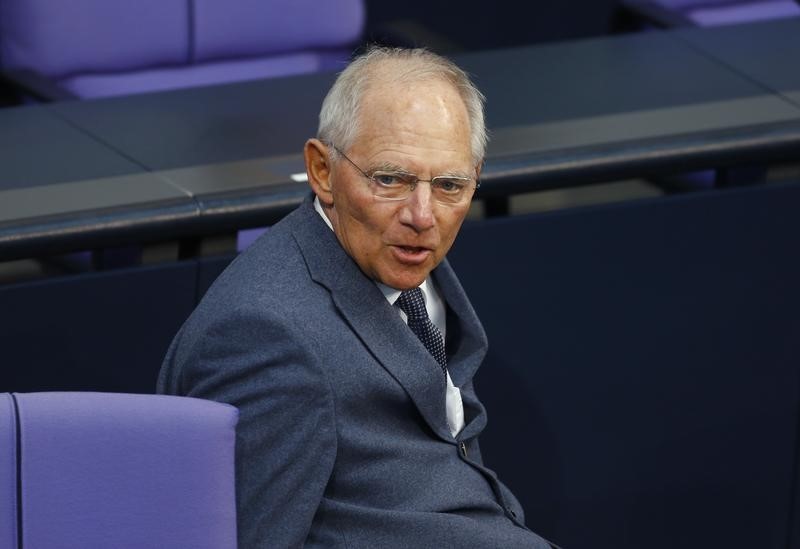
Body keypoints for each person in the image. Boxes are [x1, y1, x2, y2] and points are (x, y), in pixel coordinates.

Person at [158, 47, 555, 548]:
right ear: (322, 171)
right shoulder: (264, 336)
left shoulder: (399, 251)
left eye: (451, 185)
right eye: (391, 178)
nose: (423, 215)